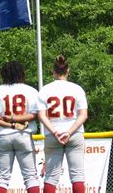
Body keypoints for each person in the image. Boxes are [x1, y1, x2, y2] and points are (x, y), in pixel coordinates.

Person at [0, 61, 40, 193]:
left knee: (1, 178)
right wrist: (17, 122)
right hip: (24, 135)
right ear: (21, 73)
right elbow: (35, 114)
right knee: (31, 177)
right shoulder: (31, 91)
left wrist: (10, 123)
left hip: (4, 136)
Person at [37, 55, 88, 193]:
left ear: (53, 71)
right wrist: (69, 132)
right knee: (77, 175)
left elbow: (41, 115)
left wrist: (55, 132)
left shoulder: (45, 90)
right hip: (74, 133)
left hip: (54, 135)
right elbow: (83, 115)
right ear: (68, 71)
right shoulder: (77, 89)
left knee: (51, 177)